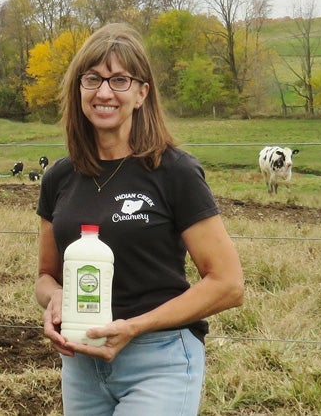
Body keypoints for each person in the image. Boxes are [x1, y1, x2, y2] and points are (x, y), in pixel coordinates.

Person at [34, 22, 244, 416]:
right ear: (78, 88)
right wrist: (55, 299)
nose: (104, 92)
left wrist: (134, 327)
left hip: (158, 358)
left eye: (119, 80)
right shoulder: (59, 177)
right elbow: (46, 277)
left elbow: (228, 284)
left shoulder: (173, 172)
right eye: (92, 78)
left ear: (142, 92)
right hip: (81, 361)